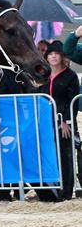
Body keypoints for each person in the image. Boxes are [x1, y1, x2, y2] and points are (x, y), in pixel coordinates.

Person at [39, 41, 79, 201]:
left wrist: (66, 121)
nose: (54, 56)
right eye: (50, 54)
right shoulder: (43, 76)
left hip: (64, 123)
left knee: (65, 157)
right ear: (46, 57)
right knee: (48, 156)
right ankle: (51, 190)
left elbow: (73, 102)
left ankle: (67, 192)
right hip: (45, 123)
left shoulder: (70, 76)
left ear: (62, 57)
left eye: (57, 53)